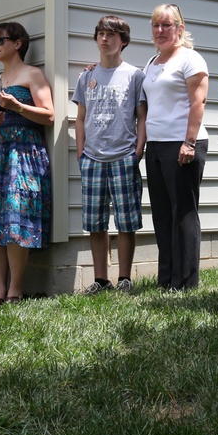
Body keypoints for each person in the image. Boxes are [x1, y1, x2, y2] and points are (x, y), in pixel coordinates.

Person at [0, 22, 54, 310]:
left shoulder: (33, 75)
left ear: (18, 43)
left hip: (23, 153)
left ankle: (16, 290)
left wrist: (17, 106)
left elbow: (49, 115)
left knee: (15, 218)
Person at [73, 16, 146, 295]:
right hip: (92, 159)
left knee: (126, 221)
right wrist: (81, 153)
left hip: (124, 156)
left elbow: (142, 117)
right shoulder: (86, 76)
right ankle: (101, 279)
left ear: (123, 41)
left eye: (111, 35)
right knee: (95, 222)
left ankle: (125, 278)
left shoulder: (134, 75)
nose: (104, 39)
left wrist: (137, 152)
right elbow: (80, 117)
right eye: (101, 34)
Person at [142, 4, 208, 290]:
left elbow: (198, 102)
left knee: (183, 212)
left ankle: (186, 282)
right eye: (156, 25)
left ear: (180, 28)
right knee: (162, 212)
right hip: (156, 146)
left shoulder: (191, 59)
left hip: (183, 144)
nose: (160, 31)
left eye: (166, 25)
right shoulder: (151, 62)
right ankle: (167, 279)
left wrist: (189, 142)